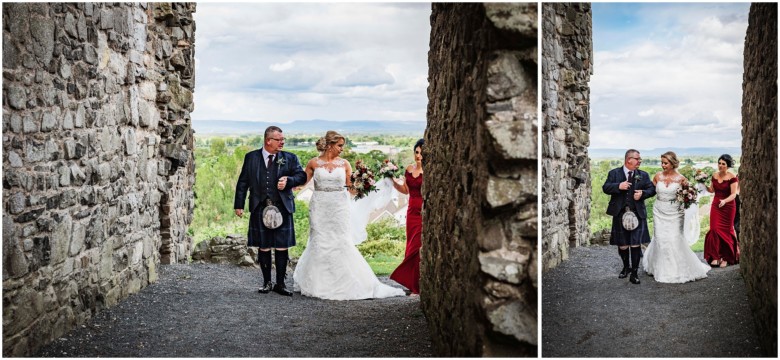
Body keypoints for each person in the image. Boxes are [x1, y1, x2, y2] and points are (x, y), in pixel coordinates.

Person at [293, 131, 405, 300]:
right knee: (319, 241)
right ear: (330, 145)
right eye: (339, 146)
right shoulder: (313, 163)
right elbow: (301, 183)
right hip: (319, 206)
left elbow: (351, 190)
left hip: (339, 207)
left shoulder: (345, 164)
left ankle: (345, 282)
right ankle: (318, 282)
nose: (342, 149)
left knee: (340, 241)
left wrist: (366, 183)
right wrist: (286, 181)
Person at [234, 126, 307, 296]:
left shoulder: (290, 158)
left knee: (282, 247)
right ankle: (267, 282)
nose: (282, 142)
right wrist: (239, 204)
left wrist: (289, 181)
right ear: (268, 140)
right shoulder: (251, 157)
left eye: (283, 140)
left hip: (282, 206)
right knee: (264, 246)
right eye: (279, 139)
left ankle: (280, 284)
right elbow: (243, 182)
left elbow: (301, 176)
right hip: (260, 206)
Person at [642, 151, 710, 283]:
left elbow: (690, 195)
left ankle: (676, 270)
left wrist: (688, 197)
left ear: (673, 163)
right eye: (662, 162)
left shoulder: (681, 179)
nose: (663, 165)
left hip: (675, 213)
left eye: (665, 163)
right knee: (660, 238)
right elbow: (651, 191)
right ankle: (660, 268)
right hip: (659, 211)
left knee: (673, 238)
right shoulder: (657, 176)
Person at [602, 149, 656, 284]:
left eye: (639, 159)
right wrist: (618, 186)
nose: (640, 161)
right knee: (623, 244)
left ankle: (634, 273)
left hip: (637, 213)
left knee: (636, 244)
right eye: (637, 159)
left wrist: (643, 193)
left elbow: (652, 189)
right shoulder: (614, 173)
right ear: (629, 160)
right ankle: (626, 267)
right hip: (620, 213)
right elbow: (606, 187)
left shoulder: (643, 175)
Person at [389, 139, 424, 295]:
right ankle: (411, 283)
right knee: (410, 245)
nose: (419, 156)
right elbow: (405, 190)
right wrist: (391, 180)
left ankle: (416, 285)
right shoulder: (409, 169)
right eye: (417, 152)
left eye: (422, 153)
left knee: (416, 247)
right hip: (411, 212)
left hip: (422, 212)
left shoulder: (430, 172)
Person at [704, 154, 739, 267]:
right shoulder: (714, 175)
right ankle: (715, 256)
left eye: (723, 164)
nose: (720, 165)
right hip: (716, 205)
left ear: (728, 165)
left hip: (728, 206)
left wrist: (725, 201)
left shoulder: (732, 177)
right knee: (714, 229)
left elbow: (734, 194)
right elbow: (711, 190)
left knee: (726, 231)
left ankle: (726, 257)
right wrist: (702, 184)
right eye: (719, 163)